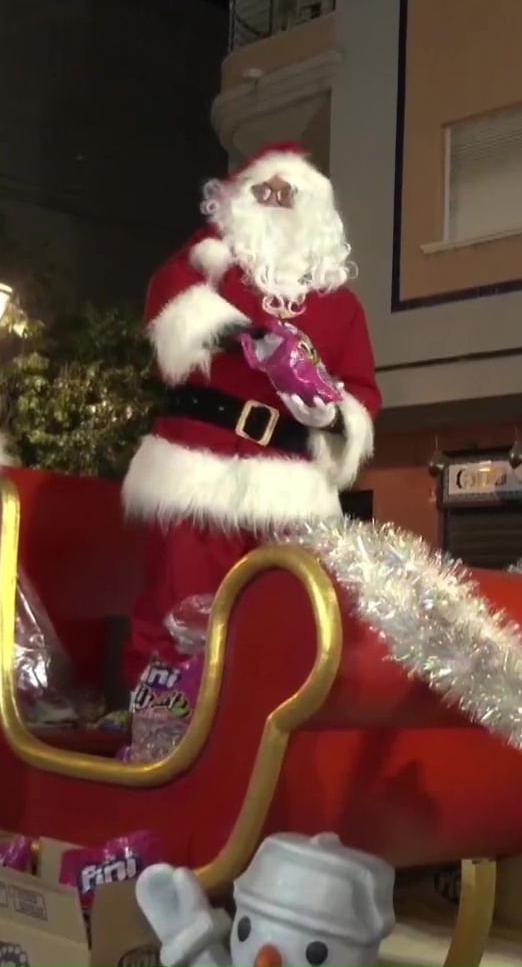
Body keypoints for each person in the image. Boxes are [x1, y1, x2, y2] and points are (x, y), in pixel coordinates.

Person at [121, 143, 380, 686]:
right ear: (240, 201)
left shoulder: (342, 307)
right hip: (197, 468)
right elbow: (169, 315)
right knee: (177, 619)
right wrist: (243, 334)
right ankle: (160, 746)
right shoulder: (208, 264)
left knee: (287, 628)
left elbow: (361, 392)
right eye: (268, 192)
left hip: (292, 485)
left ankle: (270, 757)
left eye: (293, 194)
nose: (280, 201)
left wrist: (332, 415)